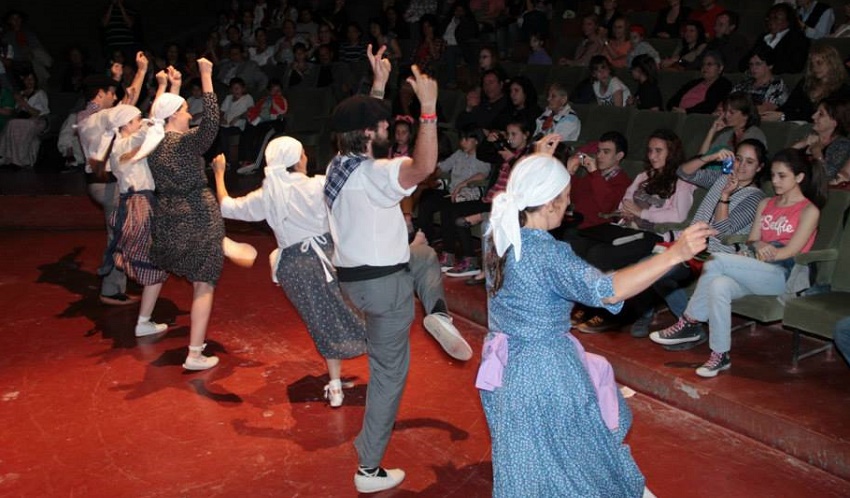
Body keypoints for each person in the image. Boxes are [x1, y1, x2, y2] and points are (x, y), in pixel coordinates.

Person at [477, 142, 713, 497]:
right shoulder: (548, 253)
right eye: (566, 196)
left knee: (528, 463)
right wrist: (674, 254)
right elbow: (609, 289)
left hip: (506, 372)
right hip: (545, 374)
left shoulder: (497, 233)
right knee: (577, 461)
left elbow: (536, 192)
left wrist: (543, 159)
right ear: (553, 201)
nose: (569, 204)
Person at [323, 45, 463, 493]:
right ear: (368, 133)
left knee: (421, 253)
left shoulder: (338, 166)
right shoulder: (376, 173)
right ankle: (368, 470)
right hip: (385, 290)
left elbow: (363, 124)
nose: (389, 126)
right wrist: (427, 108)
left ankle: (438, 312)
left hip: (356, 282)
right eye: (383, 124)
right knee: (388, 376)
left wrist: (378, 81)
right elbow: (423, 166)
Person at [214, 136, 366, 406]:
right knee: (356, 314)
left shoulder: (269, 194)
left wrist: (219, 175)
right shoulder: (317, 185)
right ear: (298, 160)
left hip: (293, 269)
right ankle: (377, 373)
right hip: (325, 261)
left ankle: (335, 387)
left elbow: (227, 207)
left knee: (323, 322)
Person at [650, 148, 826, 377]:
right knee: (718, 286)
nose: (775, 181)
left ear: (800, 177)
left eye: (782, 176)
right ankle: (719, 355)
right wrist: (755, 248)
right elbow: (753, 239)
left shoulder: (809, 210)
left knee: (715, 260)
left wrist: (758, 253)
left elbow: (792, 251)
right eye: (773, 175)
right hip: (757, 269)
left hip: (783, 274)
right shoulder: (767, 204)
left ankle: (690, 321)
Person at [135, 58, 254, 371]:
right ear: (174, 115)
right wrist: (206, 76)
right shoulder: (186, 143)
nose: (191, 114)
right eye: (186, 110)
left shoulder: (154, 143)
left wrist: (169, 87)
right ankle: (195, 353)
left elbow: (156, 116)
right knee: (204, 284)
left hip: (168, 218)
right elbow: (213, 123)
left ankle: (145, 320)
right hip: (198, 217)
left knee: (165, 267)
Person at [631, 139, 768, 339]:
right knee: (648, 265)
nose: (742, 166)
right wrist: (710, 157)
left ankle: (688, 323)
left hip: (715, 255)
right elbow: (683, 172)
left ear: (760, 168)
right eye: (738, 159)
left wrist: (725, 197)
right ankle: (688, 321)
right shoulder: (722, 178)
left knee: (655, 270)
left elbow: (722, 232)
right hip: (691, 246)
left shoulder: (755, 198)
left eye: (750, 162)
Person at [76, 52, 149, 307]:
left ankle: (121, 279)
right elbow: (128, 103)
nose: (115, 97)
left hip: (98, 183)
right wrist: (140, 72)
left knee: (118, 232)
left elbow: (125, 103)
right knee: (117, 235)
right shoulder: (99, 118)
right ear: (100, 94)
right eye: (110, 92)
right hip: (107, 185)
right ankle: (111, 289)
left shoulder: (86, 116)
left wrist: (120, 77)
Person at [99, 103, 170, 338]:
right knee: (154, 263)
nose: (141, 122)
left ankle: (144, 319)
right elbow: (147, 132)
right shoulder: (125, 144)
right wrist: (157, 115)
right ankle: (143, 320)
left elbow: (146, 133)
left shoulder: (121, 145)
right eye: (137, 119)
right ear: (127, 124)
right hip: (138, 205)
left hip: (134, 203)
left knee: (154, 260)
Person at [765, 43, 850, 123]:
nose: (815, 67)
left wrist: (784, 116)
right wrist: (772, 113)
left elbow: (826, 118)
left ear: (832, 63)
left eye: (819, 63)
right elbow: (788, 107)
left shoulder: (842, 90)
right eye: (812, 64)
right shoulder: (805, 83)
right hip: (795, 125)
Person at [699, 92, 767, 168]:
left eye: (731, 112)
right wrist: (712, 131)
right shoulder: (726, 134)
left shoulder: (754, 134)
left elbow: (744, 166)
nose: (726, 115)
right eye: (726, 111)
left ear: (745, 115)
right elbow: (700, 159)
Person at [791, 97, 850, 183]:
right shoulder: (808, 135)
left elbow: (827, 175)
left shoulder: (842, 145)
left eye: (821, 114)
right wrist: (799, 145)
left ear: (834, 122)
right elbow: (780, 164)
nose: (813, 116)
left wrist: (816, 150)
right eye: (816, 112)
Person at [741, 3, 809, 75]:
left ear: (788, 21)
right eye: (769, 18)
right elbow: (744, 62)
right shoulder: (763, 38)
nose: (771, 21)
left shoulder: (797, 39)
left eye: (776, 18)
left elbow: (795, 66)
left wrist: (766, 69)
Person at [0, 70, 48, 167]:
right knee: (11, 124)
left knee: (16, 124)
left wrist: (22, 102)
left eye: (31, 79)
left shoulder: (40, 93)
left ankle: (19, 161)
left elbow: (37, 113)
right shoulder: (21, 93)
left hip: (37, 121)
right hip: (22, 120)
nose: (29, 82)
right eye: (27, 80)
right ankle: (7, 158)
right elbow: (15, 111)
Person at [667, 50, 733, 114]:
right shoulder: (694, 83)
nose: (705, 67)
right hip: (678, 115)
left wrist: (687, 111)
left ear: (720, 68)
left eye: (709, 64)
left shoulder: (723, 84)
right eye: (703, 64)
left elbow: (710, 106)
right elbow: (673, 100)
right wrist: (674, 109)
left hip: (697, 117)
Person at [731, 46, 789, 115]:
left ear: (770, 65)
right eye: (751, 64)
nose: (753, 68)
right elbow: (728, 102)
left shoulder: (777, 86)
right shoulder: (743, 85)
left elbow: (766, 109)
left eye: (758, 64)